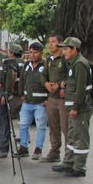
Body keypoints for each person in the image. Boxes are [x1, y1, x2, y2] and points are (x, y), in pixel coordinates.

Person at [52, 37, 93, 177]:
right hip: (71, 107)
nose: (64, 52)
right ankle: (68, 163)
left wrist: (76, 107)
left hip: (79, 108)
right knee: (71, 136)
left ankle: (80, 167)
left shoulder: (80, 63)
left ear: (74, 49)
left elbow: (81, 88)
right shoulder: (73, 63)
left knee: (80, 137)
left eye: (66, 48)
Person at [15, 42, 48, 159]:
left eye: (35, 52)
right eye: (30, 52)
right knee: (23, 125)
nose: (32, 55)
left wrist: (48, 100)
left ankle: (38, 149)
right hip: (27, 102)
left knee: (41, 127)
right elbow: (22, 80)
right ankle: (23, 147)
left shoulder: (46, 65)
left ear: (41, 53)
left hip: (40, 103)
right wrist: (21, 95)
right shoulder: (27, 65)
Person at [40, 34, 68, 163]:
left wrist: (59, 84)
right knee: (53, 127)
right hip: (51, 98)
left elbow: (71, 76)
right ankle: (54, 152)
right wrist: (46, 83)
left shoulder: (65, 58)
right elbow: (43, 76)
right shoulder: (49, 59)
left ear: (60, 43)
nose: (50, 44)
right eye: (49, 42)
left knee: (65, 127)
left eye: (53, 42)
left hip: (63, 99)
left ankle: (69, 155)